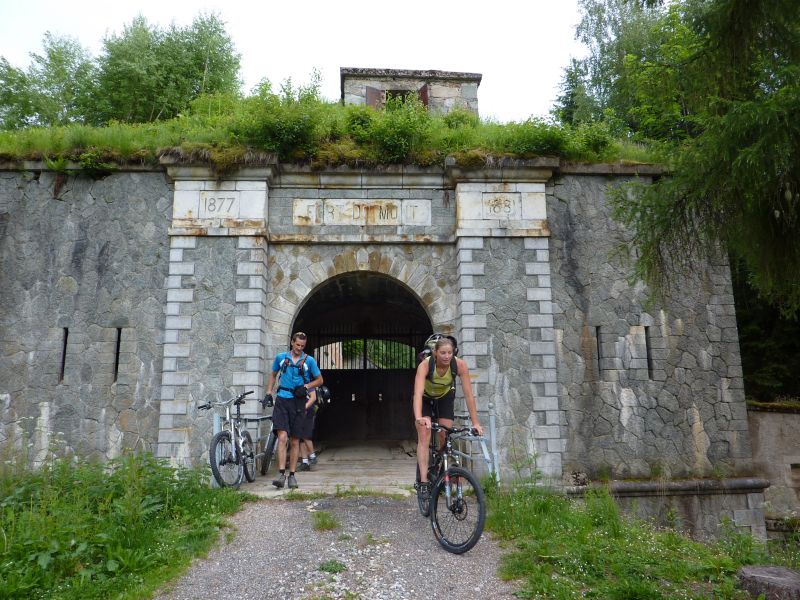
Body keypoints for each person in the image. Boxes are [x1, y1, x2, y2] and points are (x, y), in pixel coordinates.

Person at [412, 335, 484, 499]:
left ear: (454, 353)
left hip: (445, 397)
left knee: (445, 434)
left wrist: (476, 423)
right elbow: (417, 394)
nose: (446, 356)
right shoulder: (425, 365)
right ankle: (423, 482)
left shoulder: (459, 365)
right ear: (435, 353)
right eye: (443, 353)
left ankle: (442, 473)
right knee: (424, 433)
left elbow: (469, 396)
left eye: (449, 353)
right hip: (425, 398)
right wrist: (419, 418)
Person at [263, 332, 323, 489]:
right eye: (297, 345)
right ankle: (281, 473)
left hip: (298, 402)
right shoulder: (281, 358)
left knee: (295, 440)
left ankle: (292, 476)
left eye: (302, 346)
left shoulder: (309, 361)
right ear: (292, 342)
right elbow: (273, 374)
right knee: (282, 437)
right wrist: (269, 392)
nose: (299, 348)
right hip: (282, 399)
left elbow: (319, 380)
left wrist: (305, 386)